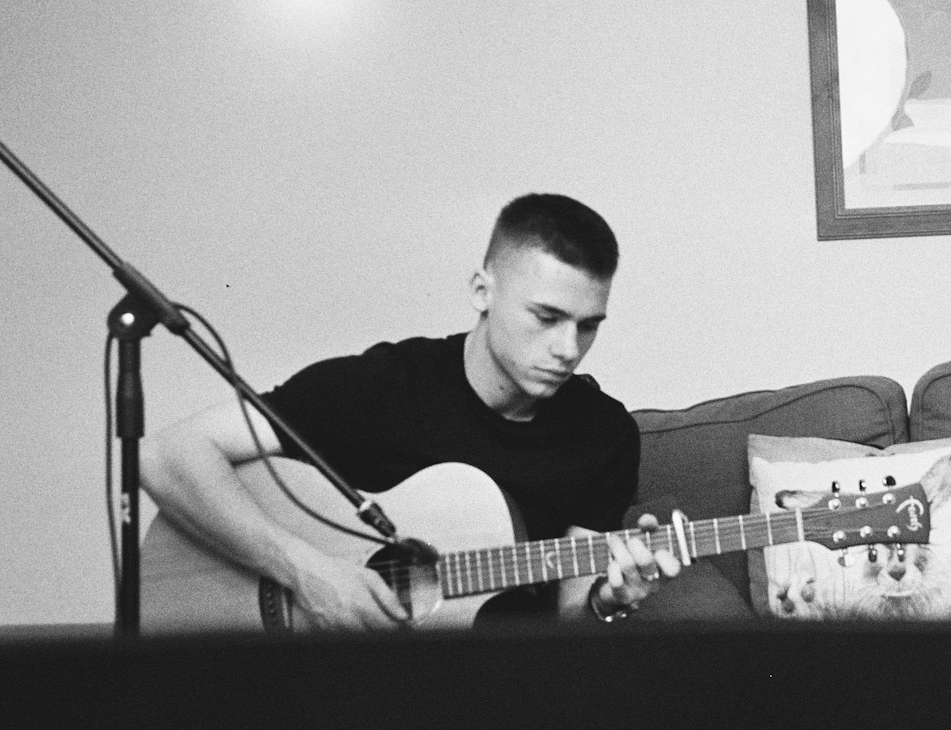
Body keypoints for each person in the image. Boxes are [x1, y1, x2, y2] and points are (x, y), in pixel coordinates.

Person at [142, 193, 679, 631]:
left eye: (588, 325)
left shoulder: (604, 435)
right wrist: (307, 572)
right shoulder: (383, 386)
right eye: (547, 317)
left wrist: (611, 600)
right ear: (481, 291)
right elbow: (166, 456)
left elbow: (570, 620)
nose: (568, 347)